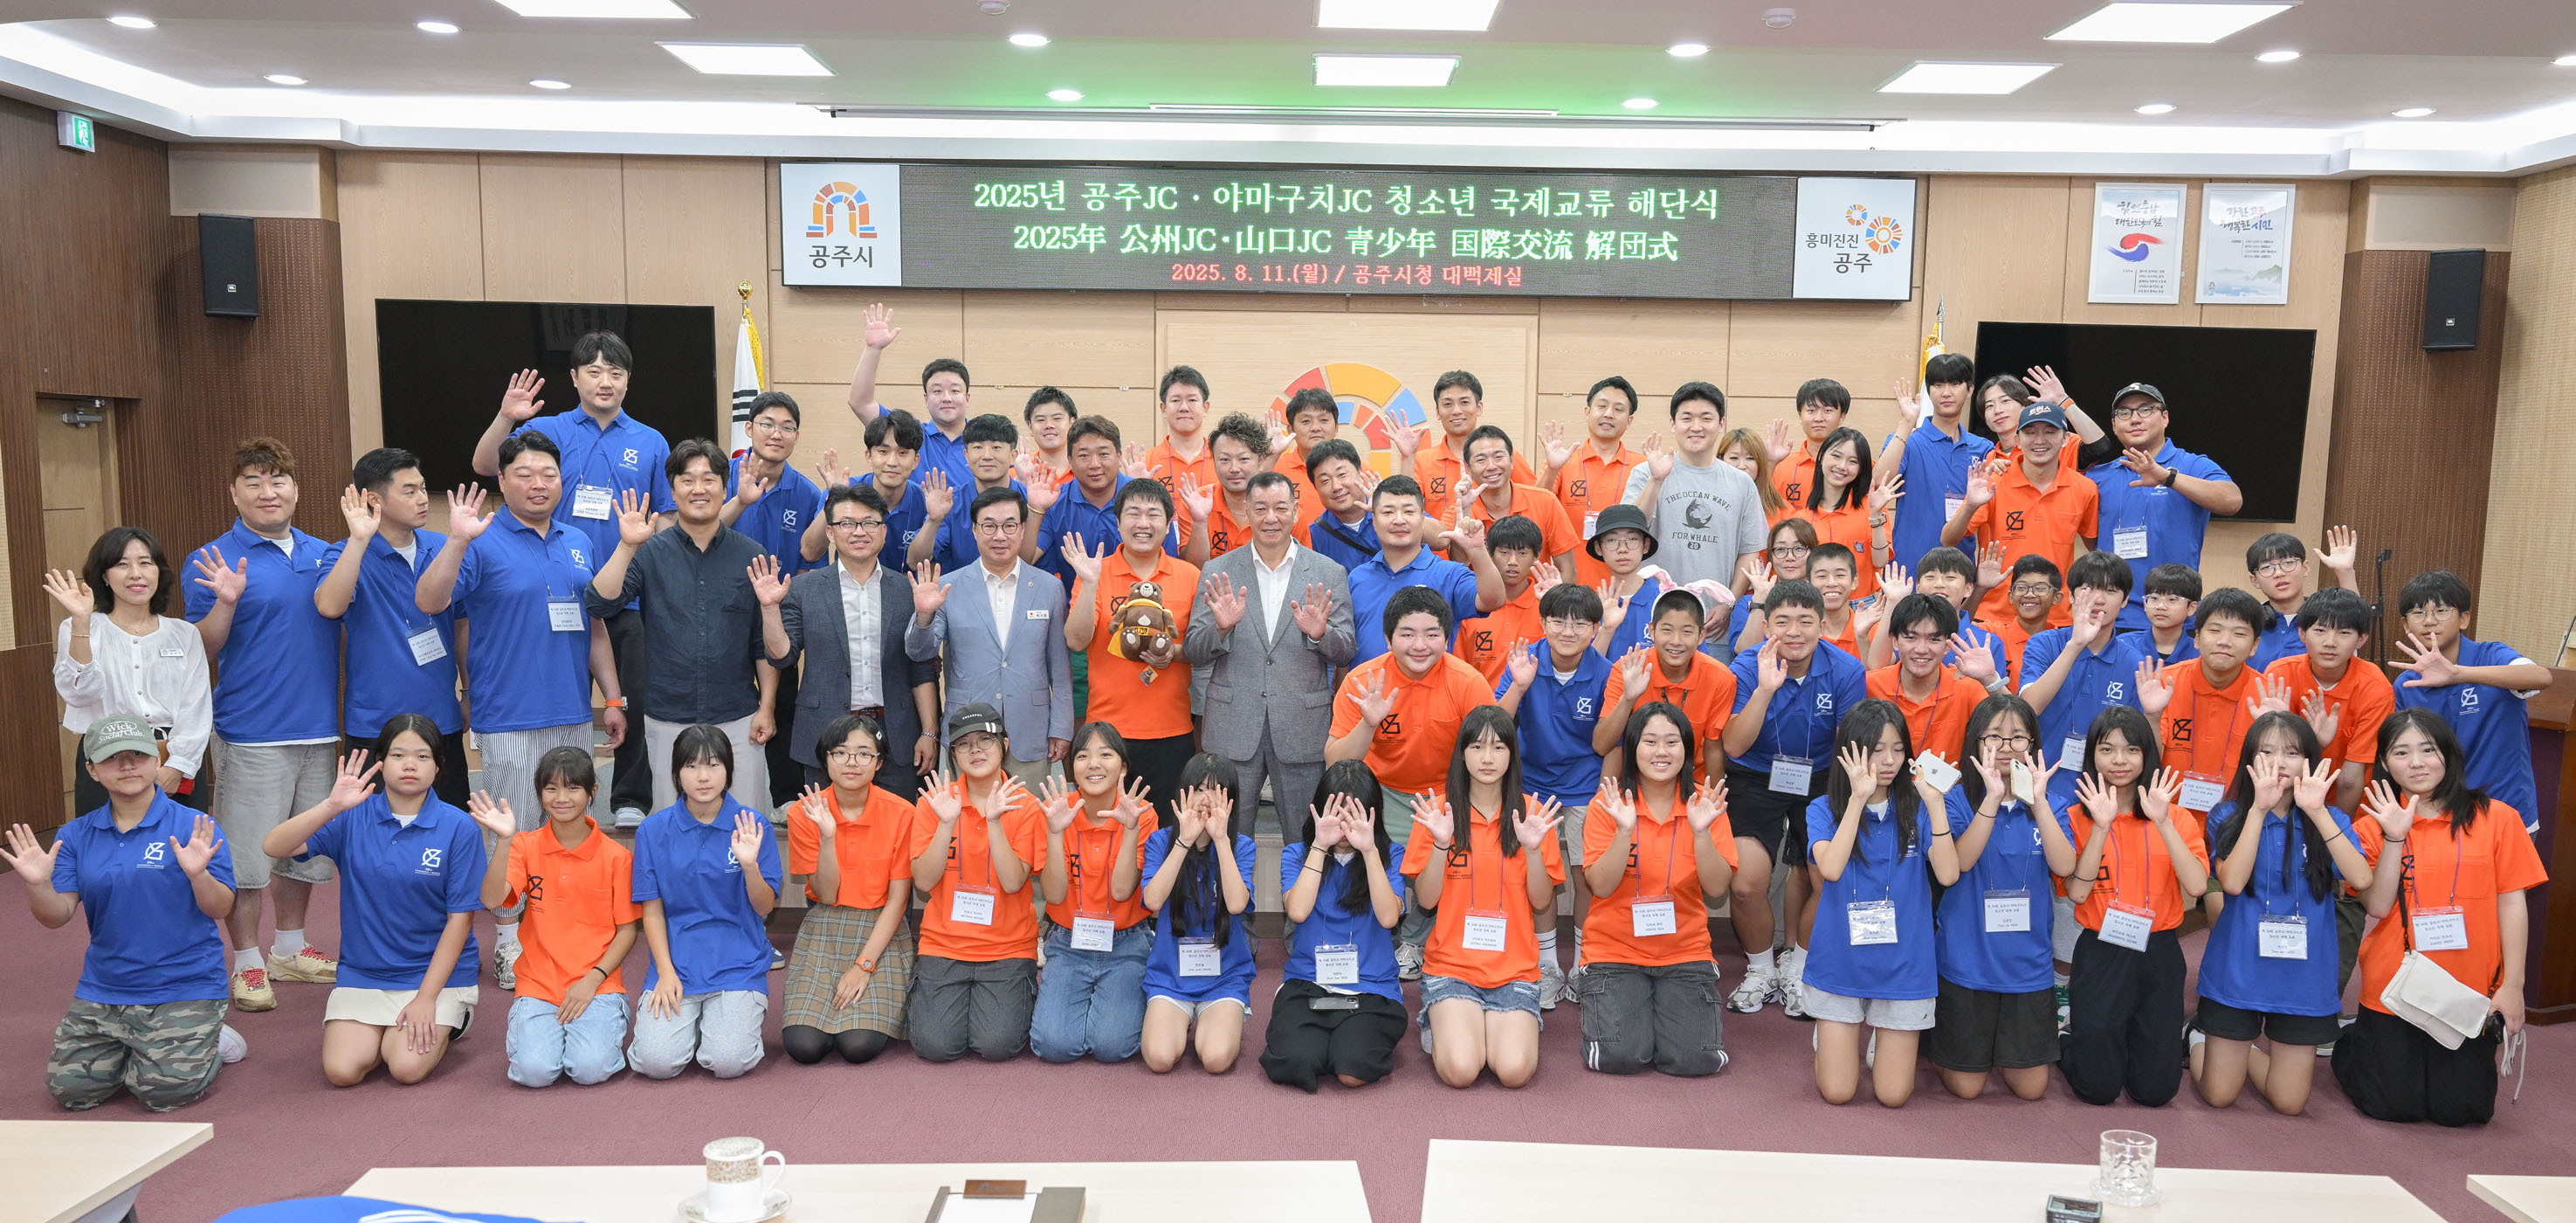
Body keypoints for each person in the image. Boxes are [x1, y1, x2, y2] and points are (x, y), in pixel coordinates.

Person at [415, 435, 628, 983]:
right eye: (525, 474)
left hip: (571, 713)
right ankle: (510, 941)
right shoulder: (480, 539)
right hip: (507, 716)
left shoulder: (578, 539)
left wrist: (612, 697)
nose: (538, 484)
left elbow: (595, 626)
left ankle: (560, 932)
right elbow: (430, 602)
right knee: (510, 832)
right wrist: (456, 541)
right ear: (502, 480)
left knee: (568, 829)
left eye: (548, 474)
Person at [473, 337, 675, 826]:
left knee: (631, 699)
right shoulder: (545, 430)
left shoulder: (650, 439)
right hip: (560, 592)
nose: (606, 382)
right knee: (564, 700)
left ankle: (629, 798)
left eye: (616, 373)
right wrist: (505, 417)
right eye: (594, 371)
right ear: (574, 378)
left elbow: (666, 516)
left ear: (628, 380)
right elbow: (484, 466)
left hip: (627, 596)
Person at [6, 716, 241, 1112]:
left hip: (185, 984)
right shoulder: (75, 835)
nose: (128, 765)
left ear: (156, 761)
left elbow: (220, 908)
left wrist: (198, 875)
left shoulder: (195, 826)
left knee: (162, 1092)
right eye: (112, 758)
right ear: (92, 770)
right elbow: (56, 916)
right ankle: (151, 1045)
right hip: (106, 985)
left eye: (138, 755)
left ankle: (209, 1039)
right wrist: (38, 884)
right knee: (71, 1091)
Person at [186, 438, 344, 1012]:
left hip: (320, 731)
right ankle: (248, 962)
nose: (267, 492)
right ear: (235, 493)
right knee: (248, 862)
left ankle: (290, 949)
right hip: (250, 733)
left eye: (277, 480)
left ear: (296, 489)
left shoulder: (326, 554)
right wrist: (226, 602)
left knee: (301, 852)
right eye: (253, 482)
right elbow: (199, 648)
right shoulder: (214, 557)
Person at [2336, 709, 2546, 1126]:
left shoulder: (2499, 818)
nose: (2416, 762)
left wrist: (2513, 986)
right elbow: (2376, 906)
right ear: (2385, 763)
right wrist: (2394, 835)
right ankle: (2352, 1043)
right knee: (2393, 1108)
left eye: (2428, 750)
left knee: (2461, 1112)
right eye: (2401, 752)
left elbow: (2512, 904)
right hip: (2395, 987)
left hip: (2470, 990)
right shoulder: (2372, 826)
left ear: (2448, 754)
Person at [262, 719, 485, 1088]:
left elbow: (460, 921)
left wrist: (426, 999)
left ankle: (454, 1017)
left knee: (405, 1067)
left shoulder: (459, 827)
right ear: (381, 762)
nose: (410, 765)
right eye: (398, 755)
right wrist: (331, 806)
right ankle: (388, 1033)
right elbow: (275, 846)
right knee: (342, 1071)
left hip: (434, 976)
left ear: (438, 766)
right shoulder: (352, 815)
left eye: (422, 756)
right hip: (365, 973)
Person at [589, 440, 789, 815]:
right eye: (687, 480)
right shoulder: (650, 552)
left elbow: (761, 645)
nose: (699, 489)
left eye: (709, 480)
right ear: (673, 489)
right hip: (668, 715)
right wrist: (627, 546)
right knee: (671, 827)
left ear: (724, 489)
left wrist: (767, 707)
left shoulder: (752, 555)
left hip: (738, 716)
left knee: (745, 826)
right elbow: (600, 603)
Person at [2189, 713, 2373, 1116]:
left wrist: (2318, 812)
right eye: (2267, 751)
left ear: (2308, 760)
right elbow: (2232, 883)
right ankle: (2198, 1039)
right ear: (2250, 761)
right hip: (2238, 968)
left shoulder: (2332, 820)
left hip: (2303, 975)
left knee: (2290, 1103)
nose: (2279, 762)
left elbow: (2361, 878)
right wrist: (2258, 810)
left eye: (2291, 752)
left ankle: (2246, 1052)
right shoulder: (2227, 815)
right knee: (2219, 1095)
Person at [1326, 587, 1503, 974]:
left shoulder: (1468, 682)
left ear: (1447, 637)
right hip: (1381, 791)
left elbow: (1489, 757)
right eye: (1407, 634)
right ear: (1388, 638)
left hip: (1446, 793)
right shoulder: (1364, 680)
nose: (1420, 645)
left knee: (1442, 855)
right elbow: (1335, 762)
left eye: (1431, 634)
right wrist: (1368, 724)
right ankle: (1369, 932)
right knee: (1347, 821)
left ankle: (1416, 941)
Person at [1719, 579, 1869, 1018]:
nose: (1794, 631)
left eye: (1805, 621)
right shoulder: (1747, 666)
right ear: (1767, 626)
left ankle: (1800, 966)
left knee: (1827, 878)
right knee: (1745, 884)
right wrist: (1765, 689)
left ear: (1822, 625)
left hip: (1821, 776)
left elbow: (1848, 745)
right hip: (1754, 774)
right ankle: (1761, 970)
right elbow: (1734, 745)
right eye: (1782, 621)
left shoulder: (1846, 670)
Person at [1185, 470, 1355, 846]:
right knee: (1225, 841)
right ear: (1246, 511)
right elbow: (1194, 649)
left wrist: (1319, 634)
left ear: (1296, 510)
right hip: (1232, 727)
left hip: (1302, 726)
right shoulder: (1218, 570)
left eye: (1280, 507)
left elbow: (1346, 649)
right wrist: (1221, 630)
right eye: (1260, 508)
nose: (1270, 518)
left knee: (1309, 841)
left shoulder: (1328, 572)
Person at [1805, 700, 1960, 1106]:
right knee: (1839, 1093)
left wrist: (1936, 804)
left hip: (1904, 964)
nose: (1889, 761)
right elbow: (1831, 869)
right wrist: (1857, 800)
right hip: (1840, 959)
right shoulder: (1822, 809)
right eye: (1876, 750)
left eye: (1898, 749)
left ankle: (1877, 1034)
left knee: (1893, 1096)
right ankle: (1830, 1033)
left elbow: (1948, 874)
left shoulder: (1918, 809)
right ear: (1850, 753)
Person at [1406, 707, 1567, 1088]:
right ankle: (1446, 1025)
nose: (1488, 758)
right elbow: (1426, 901)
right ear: (1462, 753)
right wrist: (1441, 844)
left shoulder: (1533, 815)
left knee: (1513, 1071)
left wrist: (1532, 849)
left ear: (1512, 753)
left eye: (1498, 747)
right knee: (1461, 1070)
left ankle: (1478, 1027)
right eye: (1477, 747)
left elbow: (1542, 901)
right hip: (1452, 967)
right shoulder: (1437, 812)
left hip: (1513, 970)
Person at [1929, 695, 2077, 1101]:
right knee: (1967, 1087)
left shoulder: (2052, 803)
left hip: (2026, 966)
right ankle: (1938, 1046)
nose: (2006, 747)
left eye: (2018, 738)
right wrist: (1992, 799)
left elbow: (2064, 865)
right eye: (1994, 736)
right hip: (1966, 963)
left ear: (2033, 745)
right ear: (1975, 742)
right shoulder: (1955, 800)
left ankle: (1991, 1048)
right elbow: (1959, 863)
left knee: (2032, 1089)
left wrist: (2039, 801)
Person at [1578, 702, 1737, 1076]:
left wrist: (1702, 833)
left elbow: (1717, 888)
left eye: (1671, 742)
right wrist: (1623, 831)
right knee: (1621, 1056)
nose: (1661, 752)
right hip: (1615, 951)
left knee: (1695, 1060)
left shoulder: (1706, 804)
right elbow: (1600, 885)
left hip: (1684, 951)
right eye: (1650, 741)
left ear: (1687, 749)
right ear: (1633, 747)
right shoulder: (1608, 805)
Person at [2060, 707, 2208, 1107]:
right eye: (2107, 749)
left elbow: (2197, 885)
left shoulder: (2176, 816)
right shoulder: (2075, 817)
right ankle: (2072, 1035)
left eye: (2131, 749)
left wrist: (2162, 821)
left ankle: (2127, 1040)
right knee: (2097, 1089)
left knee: (2155, 1092)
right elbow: (2076, 893)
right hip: (2101, 947)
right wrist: (2101, 825)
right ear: (2092, 756)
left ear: (2147, 756)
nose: (2119, 760)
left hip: (2158, 948)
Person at [468, 747, 638, 1088]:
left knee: (589, 1069)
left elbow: (626, 931)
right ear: (539, 793)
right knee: (534, 1073)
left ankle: (601, 1026)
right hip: (538, 984)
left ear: (592, 791)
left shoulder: (616, 857)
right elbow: (491, 899)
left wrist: (592, 980)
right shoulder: (524, 845)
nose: (561, 798)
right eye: (551, 788)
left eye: (573, 788)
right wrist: (504, 840)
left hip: (598, 984)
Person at [626, 725, 781, 1081]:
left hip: (737, 965)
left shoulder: (753, 825)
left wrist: (750, 866)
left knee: (728, 1062)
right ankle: (696, 1025)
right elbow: (652, 911)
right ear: (677, 772)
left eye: (713, 765)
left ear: (728, 769)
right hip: (677, 965)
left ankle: (717, 1025)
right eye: (692, 766)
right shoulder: (652, 831)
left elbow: (764, 908)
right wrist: (665, 972)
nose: (703, 777)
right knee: (656, 1063)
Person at [315, 449, 465, 807]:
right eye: (409, 491)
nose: (422, 499)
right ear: (374, 499)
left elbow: (462, 624)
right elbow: (329, 606)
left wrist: (469, 691)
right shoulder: (344, 553)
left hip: (440, 718)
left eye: (423, 488)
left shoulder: (443, 547)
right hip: (375, 725)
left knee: (448, 824)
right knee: (375, 828)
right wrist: (358, 540)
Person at [773, 484, 940, 802]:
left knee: (899, 825)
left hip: (896, 734)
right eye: (847, 523)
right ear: (831, 533)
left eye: (870, 523)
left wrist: (929, 731)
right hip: (826, 733)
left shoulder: (908, 591)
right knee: (829, 827)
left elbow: (921, 666)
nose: (859, 532)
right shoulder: (804, 589)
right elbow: (782, 657)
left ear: (884, 532)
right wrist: (770, 608)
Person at [905, 487, 1073, 785]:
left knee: (1027, 812)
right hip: (967, 731)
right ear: (974, 530)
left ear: (1022, 529)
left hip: (1030, 729)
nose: (1000, 536)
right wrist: (924, 616)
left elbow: (1059, 667)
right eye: (989, 526)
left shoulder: (1049, 587)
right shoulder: (947, 586)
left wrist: (1061, 726)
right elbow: (919, 653)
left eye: (1009, 526)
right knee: (969, 813)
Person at [907, 703, 1046, 1063]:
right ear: (953, 754)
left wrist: (995, 822)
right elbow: (923, 881)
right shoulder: (935, 802)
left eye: (985, 739)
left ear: (1005, 745)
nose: (976, 750)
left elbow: (1014, 883)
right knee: (935, 1047)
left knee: (998, 1045)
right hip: (944, 945)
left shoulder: (1026, 805)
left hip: (1007, 947)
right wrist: (945, 824)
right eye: (964, 744)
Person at [779, 715, 917, 1067]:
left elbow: (898, 900)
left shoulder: (903, 813)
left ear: (879, 762)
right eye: (840, 753)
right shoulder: (804, 813)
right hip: (825, 925)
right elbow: (825, 895)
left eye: (864, 753)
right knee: (804, 1046)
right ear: (825, 759)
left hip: (881, 929)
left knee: (858, 1046)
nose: (852, 762)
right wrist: (827, 837)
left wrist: (865, 965)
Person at [1264, 763, 1409, 1092]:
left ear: (1372, 815)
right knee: (1297, 1062)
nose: (1344, 827)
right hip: (1309, 983)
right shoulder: (1298, 854)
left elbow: (1389, 918)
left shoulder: (1390, 855)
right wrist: (1320, 846)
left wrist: (1369, 851)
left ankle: (1345, 1040)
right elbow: (1297, 911)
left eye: (1353, 815)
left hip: (1371, 988)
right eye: (1336, 814)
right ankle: (1324, 1041)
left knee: (1352, 1067)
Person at [47, 528, 210, 817]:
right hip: (106, 757)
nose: (136, 574)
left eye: (145, 563)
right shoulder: (79, 628)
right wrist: (82, 623)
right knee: (106, 842)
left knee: (180, 843)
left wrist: (177, 766)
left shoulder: (184, 634)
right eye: (122, 564)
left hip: (173, 757)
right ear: (104, 576)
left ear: (159, 572)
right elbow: (80, 695)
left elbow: (196, 708)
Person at [1062, 479, 1199, 810]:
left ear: (1169, 523)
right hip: (1107, 734)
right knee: (1106, 827)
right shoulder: (1095, 572)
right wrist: (1090, 583)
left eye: (1153, 514)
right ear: (1118, 521)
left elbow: (1199, 648)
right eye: (1133, 513)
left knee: (1169, 830)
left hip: (1172, 730)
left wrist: (1173, 653)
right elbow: (1076, 640)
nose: (1143, 523)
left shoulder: (1189, 576)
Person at [1498, 584, 1614, 974]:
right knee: (1539, 873)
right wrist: (1519, 686)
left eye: (1580, 624)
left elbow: (1611, 743)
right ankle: (1546, 962)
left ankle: (1583, 959)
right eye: (1558, 621)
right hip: (1531, 786)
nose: (1568, 631)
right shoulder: (1523, 660)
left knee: (1585, 876)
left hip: (1584, 786)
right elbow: (1494, 727)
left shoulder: (1605, 672)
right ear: (1543, 622)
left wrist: (1602, 796)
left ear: (1595, 628)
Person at [720, 392, 827, 808]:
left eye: (787, 427)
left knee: (783, 702)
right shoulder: (722, 476)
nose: (776, 434)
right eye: (767, 424)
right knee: (725, 699)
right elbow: (700, 531)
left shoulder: (807, 494)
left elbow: (811, 563)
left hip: (778, 615)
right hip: (724, 609)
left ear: (797, 436)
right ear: (749, 428)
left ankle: (786, 796)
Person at [1029, 723, 1156, 1064]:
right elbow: (1054, 895)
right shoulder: (1057, 809)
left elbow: (1122, 891)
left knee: (1112, 1047)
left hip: (1126, 942)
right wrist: (1055, 833)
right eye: (1083, 756)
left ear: (1123, 767)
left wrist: (1130, 830)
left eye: (1105, 754)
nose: (1094, 764)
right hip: (1068, 941)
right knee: (1053, 1046)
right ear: (1072, 768)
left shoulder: (1140, 812)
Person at [2392, 570, 2552, 837]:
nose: (2430, 621)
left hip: (2507, 813)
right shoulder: (2406, 684)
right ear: (2406, 625)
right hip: (2441, 818)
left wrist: (2458, 674)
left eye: (2441, 610)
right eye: (2419, 613)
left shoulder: (2493, 656)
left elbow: (2541, 677)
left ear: (2464, 618)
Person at [2083, 383, 2244, 632]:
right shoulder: (2097, 476)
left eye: (2145, 409)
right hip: (2112, 618)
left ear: (2165, 418)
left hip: (2176, 617)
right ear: (2114, 425)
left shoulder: (2192, 464)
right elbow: (2092, 539)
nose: (2135, 419)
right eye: (2124, 413)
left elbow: (2232, 501)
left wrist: (2168, 477)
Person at [1139, 756, 1259, 1074]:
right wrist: (1184, 840)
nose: (1206, 799)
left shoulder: (1241, 846)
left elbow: (1236, 904)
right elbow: (1152, 901)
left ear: (1230, 800)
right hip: (1171, 975)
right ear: (1183, 794)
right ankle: (1184, 1018)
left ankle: (1220, 1018)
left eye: (1216, 791)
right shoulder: (1161, 840)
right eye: (1200, 789)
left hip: (1224, 977)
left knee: (1216, 1060)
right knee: (1160, 1059)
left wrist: (1220, 839)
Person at [1948, 402, 2096, 629]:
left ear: (2066, 439)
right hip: (1995, 617)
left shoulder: (2084, 488)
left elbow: (2096, 547)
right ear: (2017, 440)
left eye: (2050, 432)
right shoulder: (1994, 482)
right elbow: (1948, 539)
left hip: (2056, 618)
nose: (2039, 440)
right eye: (2030, 432)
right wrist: (1970, 506)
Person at [2135, 587, 2273, 829]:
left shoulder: (2267, 697)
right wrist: (2152, 716)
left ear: (2255, 645)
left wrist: (2272, 729)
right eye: (2215, 630)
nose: (2224, 641)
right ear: (2197, 638)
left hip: (2238, 824)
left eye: (2239, 633)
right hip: (2166, 819)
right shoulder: (2164, 684)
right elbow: (2146, 759)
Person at [1622, 382, 1769, 595]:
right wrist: (1656, 481)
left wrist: (1729, 603)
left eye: (1706, 418)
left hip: (1715, 609)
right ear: (1673, 424)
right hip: (1653, 607)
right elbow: (1629, 532)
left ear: (1721, 424)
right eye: (1687, 418)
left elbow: (1749, 552)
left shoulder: (1742, 483)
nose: (1696, 427)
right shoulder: (1645, 473)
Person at [1347, 475, 1503, 663]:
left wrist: (1477, 551)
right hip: (1366, 682)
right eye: (1388, 512)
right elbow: (1348, 647)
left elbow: (1493, 600)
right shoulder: (1357, 577)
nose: (1399, 520)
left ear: (1422, 519)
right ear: (1374, 520)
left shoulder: (1448, 574)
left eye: (1409, 512)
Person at [2267, 587, 2395, 811]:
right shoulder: (2280, 674)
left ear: (2361, 639)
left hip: (2350, 803)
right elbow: (2272, 761)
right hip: (2286, 796)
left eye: (2344, 633)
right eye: (2320, 630)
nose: (2330, 642)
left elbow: (2350, 778)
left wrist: (2335, 828)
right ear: (2302, 633)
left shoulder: (2375, 687)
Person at [1598, 590, 1737, 782]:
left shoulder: (1720, 678)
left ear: (1701, 635)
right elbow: (1602, 746)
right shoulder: (1628, 669)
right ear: (1652, 631)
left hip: (1693, 780)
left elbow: (1713, 747)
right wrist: (1628, 699)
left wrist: (1713, 797)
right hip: (1639, 778)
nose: (1676, 641)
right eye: (1667, 630)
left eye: (1687, 632)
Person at [1882, 353, 1994, 577]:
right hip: (1909, 570)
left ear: (1970, 390)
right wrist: (1906, 422)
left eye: (1955, 384)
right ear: (1929, 391)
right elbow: (1878, 483)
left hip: (1959, 571)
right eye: (1938, 385)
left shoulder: (1983, 448)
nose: (1946, 392)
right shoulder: (1906, 440)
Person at [844, 303, 977, 492]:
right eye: (937, 391)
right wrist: (873, 350)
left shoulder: (983, 441)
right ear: (926, 399)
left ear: (967, 398)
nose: (946, 398)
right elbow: (860, 403)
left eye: (955, 391)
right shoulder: (909, 435)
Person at [1541, 376, 1647, 588]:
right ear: (1587, 412)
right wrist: (1552, 469)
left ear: (1630, 420)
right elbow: (1536, 511)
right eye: (1602, 406)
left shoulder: (1643, 467)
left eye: (1618, 409)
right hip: (1572, 590)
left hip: (1628, 592)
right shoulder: (1563, 462)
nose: (1609, 414)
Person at [1868, 594, 2003, 758]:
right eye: (1911, 638)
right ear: (1895, 641)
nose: (1921, 649)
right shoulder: (1870, 685)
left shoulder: (1967, 690)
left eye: (1934, 639)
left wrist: (1990, 679)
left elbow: (2009, 733)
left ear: (1947, 646)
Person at [1395, 370, 1534, 524]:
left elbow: (1534, 501)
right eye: (1447, 404)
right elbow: (1406, 507)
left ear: (1479, 408)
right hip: (1440, 538)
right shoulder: (1422, 461)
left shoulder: (1503, 457)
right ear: (1438, 412)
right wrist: (1408, 457)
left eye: (1464, 402)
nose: (1456, 411)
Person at [1457, 426, 1581, 577]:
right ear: (1468, 467)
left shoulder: (1546, 501)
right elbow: (1456, 566)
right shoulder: (1459, 509)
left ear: (1512, 460)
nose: (1491, 466)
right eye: (1481, 460)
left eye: (1498, 457)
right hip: (1479, 593)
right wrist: (1464, 513)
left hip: (1539, 592)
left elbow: (1567, 570)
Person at [913, 414, 1025, 575]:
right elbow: (914, 561)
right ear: (966, 455)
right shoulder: (951, 503)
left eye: (996, 448)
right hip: (962, 589)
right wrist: (933, 520)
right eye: (978, 448)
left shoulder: (1031, 501)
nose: (987, 456)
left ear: (1013, 456)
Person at [1794, 426, 1896, 605]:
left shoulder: (1872, 506)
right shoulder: (1802, 518)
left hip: (1863, 604)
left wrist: (1876, 515)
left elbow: (1880, 561)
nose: (1842, 466)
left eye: (1853, 461)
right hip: (1816, 605)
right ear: (1822, 456)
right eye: (1836, 456)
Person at [2243, 529, 2359, 672]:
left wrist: (2345, 573)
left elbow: (2353, 621)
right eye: (2267, 567)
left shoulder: (2325, 620)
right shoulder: (2246, 622)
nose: (2279, 573)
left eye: (2288, 563)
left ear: (2305, 568)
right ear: (2254, 580)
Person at [1454, 515, 1550, 686]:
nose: (1512, 562)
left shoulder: (1548, 607)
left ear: (1536, 556)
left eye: (1522, 553)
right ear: (1489, 554)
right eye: (1504, 553)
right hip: (1482, 701)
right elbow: (1459, 672)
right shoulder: (1472, 607)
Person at [1178, 411, 1273, 563]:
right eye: (1224, 460)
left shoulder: (1281, 508)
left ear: (1261, 461)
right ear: (1214, 461)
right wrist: (1200, 522)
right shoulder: (1195, 503)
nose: (1234, 468)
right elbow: (1193, 568)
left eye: (1243, 459)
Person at [1583, 504, 1664, 662]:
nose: (1622, 549)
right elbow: (1585, 667)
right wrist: (1607, 629)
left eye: (1632, 539)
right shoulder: (1591, 606)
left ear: (1646, 545)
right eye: (1612, 540)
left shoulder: (1665, 601)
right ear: (1599, 548)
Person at [1729, 517, 1819, 653]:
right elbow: (1744, 652)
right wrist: (1760, 602)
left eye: (1799, 548)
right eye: (1781, 549)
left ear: (1814, 553)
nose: (1790, 557)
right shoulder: (1748, 602)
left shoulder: (1823, 599)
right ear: (1771, 556)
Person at [1145, 365, 1222, 518]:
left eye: (1192, 400)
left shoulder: (1223, 460)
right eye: (1176, 400)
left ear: (1205, 408)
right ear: (1164, 409)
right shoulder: (1147, 463)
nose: (1184, 407)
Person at [1765, 377, 1851, 508]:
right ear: (1800, 415)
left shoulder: (1855, 466)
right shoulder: (1779, 466)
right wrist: (1770, 463)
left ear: (1842, 417)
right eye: (1811, 410)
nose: (1818, 418)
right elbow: (1759, 505)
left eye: (1828, 411)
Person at [1299, 439, 1382, 572]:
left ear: (1360, 472)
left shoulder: (1389, 515)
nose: (1336, 487)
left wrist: (1384, 511)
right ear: (1316, 488)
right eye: (1325, 481)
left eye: (1342, 475)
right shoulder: (1313, 536)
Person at [1980, 555, 2063, 685]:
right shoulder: (1992, 634)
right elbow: (1954, 627)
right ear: (2010, 597)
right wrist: (1980, 589)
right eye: (2022, 588)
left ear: (2056, 597)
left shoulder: (2066, 643)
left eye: (2040, 588)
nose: (2029, 594)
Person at [1264, 386, 1343, 517]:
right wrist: (1269, 459)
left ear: (1336, 428)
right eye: (1306, 421)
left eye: (1324, 420)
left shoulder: (1356, 469)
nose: (1316, 428)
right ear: (1291, 430)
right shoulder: (1275, 468)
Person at [2120, 563, 2202, 667]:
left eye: (2172, 599)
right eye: (2154, 598)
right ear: (2145, 604)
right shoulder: (2124, 645)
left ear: (2191, 608)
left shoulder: (2200, 653)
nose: (2160, 606)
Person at [1716, 426, 1791, 523]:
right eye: (1734, 458)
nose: (1742, 466)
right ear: (1720, 460)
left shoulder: (1781, 510)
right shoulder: (1709, 501)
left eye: (1750, 458)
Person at [1021, 386, 1078, 478]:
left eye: (1057, 418)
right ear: (1030, 427)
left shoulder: (1089, 472)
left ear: (1072, 423)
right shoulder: (1018, 476)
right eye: (1040, 420)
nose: (1049, 425)